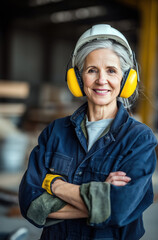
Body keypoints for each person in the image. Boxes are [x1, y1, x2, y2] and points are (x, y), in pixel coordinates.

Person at [19, 24, 157, 240]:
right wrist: (100, 198)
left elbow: (119, 209)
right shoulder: (55, 131)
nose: (102, 80)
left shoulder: (139, 138)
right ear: (77, 78)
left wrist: (54, 184)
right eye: (92, 70)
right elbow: (29, 204)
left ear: (126, 79)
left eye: (111, 70)